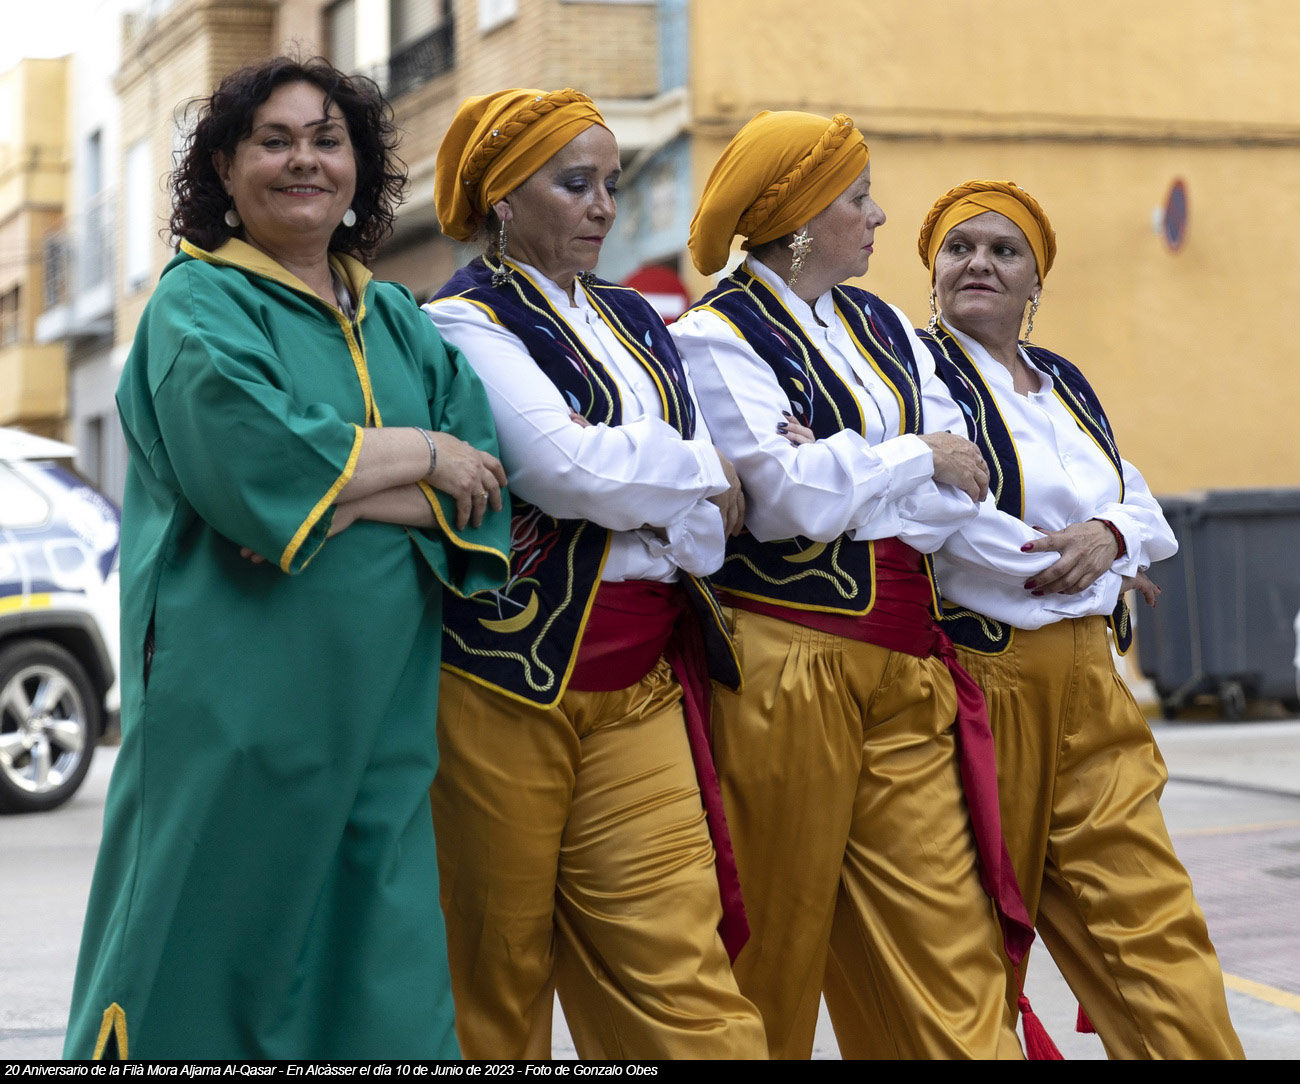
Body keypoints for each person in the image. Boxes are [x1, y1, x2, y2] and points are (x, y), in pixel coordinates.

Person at [62, 57, 511, 1061]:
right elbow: (254, 467)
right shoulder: (196, 306)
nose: (304, 159)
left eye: (327, 139)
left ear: (359, 169)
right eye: (274, 140)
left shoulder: (398, 317)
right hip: (238, 713)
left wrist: (346, 487)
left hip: (387, 711)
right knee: (212, 964)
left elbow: (486, 486)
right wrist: (424, 455)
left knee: (381, 968)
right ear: (225, 167)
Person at [671, 110, 1046, 1060]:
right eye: (859, 198)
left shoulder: (881, 324)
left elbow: (968, 478)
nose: (879, 217)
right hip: (785, 667)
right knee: (775, 947)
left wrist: (854, 465)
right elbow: (786, 500)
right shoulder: (714, 335)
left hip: (907, 665)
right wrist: (909, 454)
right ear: (801, 220)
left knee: (950, 942)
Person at [422, 88, 766, 1060]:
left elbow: (697, 517)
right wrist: (693, 469)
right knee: (496, 977)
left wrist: (657, 480)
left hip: (640, 671)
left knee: (684, 970)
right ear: (502, 197)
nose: (603, 206)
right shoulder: (461, 320)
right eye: (575, 184)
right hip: (505, 684)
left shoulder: (634, 317)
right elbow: (569, 470)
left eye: (611, 183)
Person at [915, 179, 1244, 1059]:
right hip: (980, 685)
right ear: (932, 270)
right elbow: (952, 522)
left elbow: (1145, 508)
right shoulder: (913, 373)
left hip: (1094, 683)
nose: (979, 264)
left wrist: (1109, 537)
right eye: (959, 248)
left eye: (1004, 251)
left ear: (1037, 281)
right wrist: (1092, 559)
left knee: (1154, 926)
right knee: (974, 946)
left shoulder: (1063, 381)